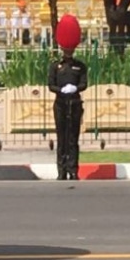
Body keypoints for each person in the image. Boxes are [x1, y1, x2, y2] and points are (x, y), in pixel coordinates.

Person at [48, 15, 87, 180]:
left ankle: (73, 169)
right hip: (61, 104)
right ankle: (61, 170)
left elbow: (84, 84)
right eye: (66, 50)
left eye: (70, 50)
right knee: (61, 137)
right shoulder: (55, 66)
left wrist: (74, 89)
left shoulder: (80, 66)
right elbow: (51, 85)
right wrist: (61, 90)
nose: (68, 52)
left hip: (75, 103)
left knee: (73, 138)